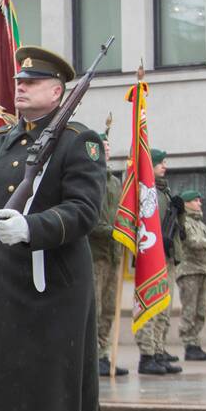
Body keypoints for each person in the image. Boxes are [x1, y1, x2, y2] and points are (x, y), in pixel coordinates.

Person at [0, 46, 105, 411]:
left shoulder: (79, 142)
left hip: (59, 288)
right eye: (19, 80)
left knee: (48, 388)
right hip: (12, 285)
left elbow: (84, 211)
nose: (20, 86)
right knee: (24, 389)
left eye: (32, 82)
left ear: (58, 91)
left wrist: (32, 228)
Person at [136, 149, 183, 374]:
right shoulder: (146, 191)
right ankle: (147, 355)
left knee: (163, 308)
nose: (164, 166)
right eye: (160, 163)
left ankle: (158, 350)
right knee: (151, 306)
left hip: (167, 256)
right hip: (152, 255)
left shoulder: (163, 192)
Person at [90, 134, 127, 376]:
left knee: (110, 306)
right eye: (103, 147)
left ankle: (103, 353)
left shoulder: (114, 182)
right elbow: (90, 219)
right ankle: (91, 356)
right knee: (95, 308)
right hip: (95, 253)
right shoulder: (90, 179)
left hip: (114, 254)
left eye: (109, 147)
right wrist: (114, 232)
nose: (107, 151)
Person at [175, 190, 206, 361]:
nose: (200, 203)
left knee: (200, 311)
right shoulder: (184, 221)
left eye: (200, 200)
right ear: (186, 203)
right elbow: (193, 242)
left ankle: (195, 343)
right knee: (189, 310)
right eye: (195, 200)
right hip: (189, 271)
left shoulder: (201, 223)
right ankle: (189, 344)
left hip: (201, 270)